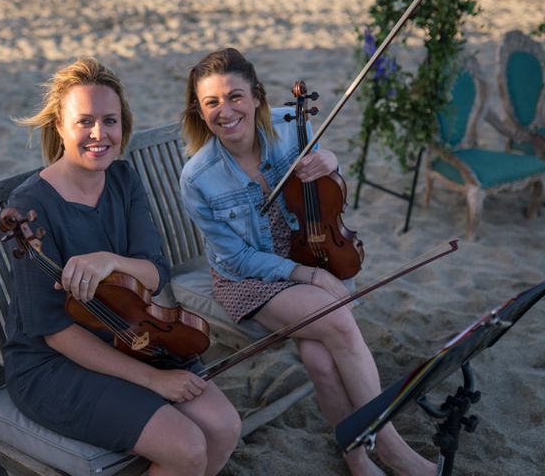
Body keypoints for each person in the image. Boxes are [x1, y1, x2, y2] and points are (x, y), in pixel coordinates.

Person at [179, 47, 436, 476]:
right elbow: (239, 257)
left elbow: (326, 183)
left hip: (310, 247)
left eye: (235, 96)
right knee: (337, 321)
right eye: (212, 102)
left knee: (320, 359)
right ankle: (390, 447)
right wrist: (310, 276)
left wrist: (330, 161)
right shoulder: (198, 178)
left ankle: (355, 456)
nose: (225, 111)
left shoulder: (290, 126)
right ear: (199, 111)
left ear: (257, 96)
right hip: (250, 275)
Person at [5, 57, 241, 476]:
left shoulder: (123, 178)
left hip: (132, 335)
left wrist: (111, 261)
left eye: (110, 121)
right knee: (185, 447)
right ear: (59, 127)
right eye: (85, 122)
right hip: (56, 364)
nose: (99, 134)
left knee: (223, 427)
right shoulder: (30, 207)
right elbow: (56, 332)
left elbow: (154, 271)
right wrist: (154, 381)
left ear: (123, 125)